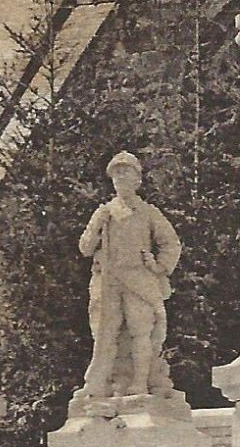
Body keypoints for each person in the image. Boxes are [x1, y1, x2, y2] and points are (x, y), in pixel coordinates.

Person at [78, 151, 182, 400]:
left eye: (126, 172)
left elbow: (171, 243)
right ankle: (100, 383)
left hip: (139, 280)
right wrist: (95, 228)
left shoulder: (148, 212)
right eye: (117, 173)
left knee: (140, 331)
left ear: (138, 179)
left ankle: (140, 383)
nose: (121, 177)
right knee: (104, 333)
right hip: (108, 282)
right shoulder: (104, 212)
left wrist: (158, 266)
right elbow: (84, 248)